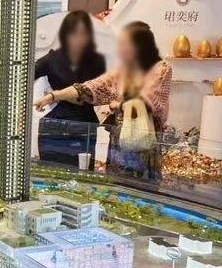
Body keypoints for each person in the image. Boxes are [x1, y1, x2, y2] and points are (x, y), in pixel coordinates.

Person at [34, 21, 171, 181]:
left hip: (144, 138)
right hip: (119, 140)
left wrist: (117, 104)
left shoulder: (162, 68)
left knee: (144, 185)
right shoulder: (122, 71)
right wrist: (52, 96)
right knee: (117, 183)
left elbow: (148, 101)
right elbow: (88, 88)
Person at [35, 10, 106, 166]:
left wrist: (54, 95)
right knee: (51, 174)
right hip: (54, 126)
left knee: (82, 173)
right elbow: (23, 74)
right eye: (74, 33)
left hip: (85, 127)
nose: (79, 39)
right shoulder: (52, 59)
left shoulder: (98, 61)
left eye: (84, 34)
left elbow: (105, 91)